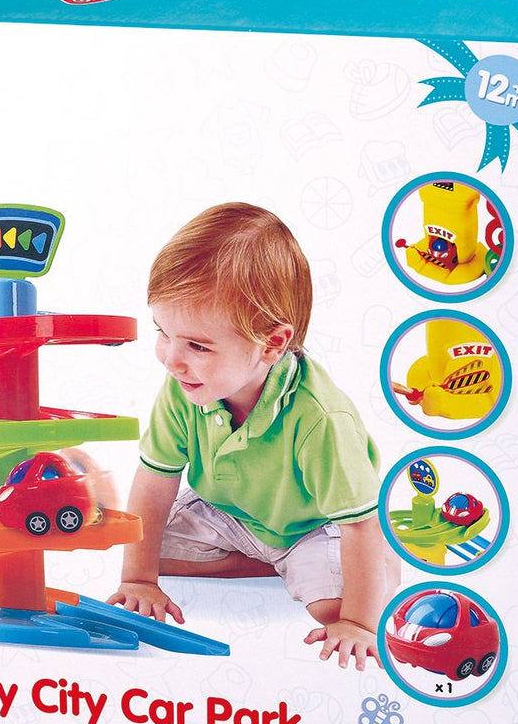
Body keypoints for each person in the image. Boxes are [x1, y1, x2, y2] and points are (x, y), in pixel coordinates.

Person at [107, 202, 396, 669]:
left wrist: (359, 624)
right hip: (229, 514)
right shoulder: (185, 386)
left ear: (272, 344)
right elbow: (155, 480)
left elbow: (359, 524)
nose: (172, 359)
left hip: (310, 528)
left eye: (197, 345)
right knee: (143, 550)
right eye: (164, 332)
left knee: (333, 609)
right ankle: (269, 562)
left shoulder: (320, 418)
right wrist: (139, 579)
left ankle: (335, 565)